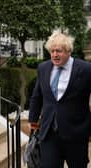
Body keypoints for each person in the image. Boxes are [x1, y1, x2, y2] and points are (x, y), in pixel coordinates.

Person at [28, 29, 91, 168]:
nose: (55, 55)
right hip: (49, 133)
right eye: (52, 51)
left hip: (76, 134)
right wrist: (33, 119)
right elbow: (37, 95)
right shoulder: (43, 68)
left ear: (68, 51)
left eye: (59, 51)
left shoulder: (86, 69)